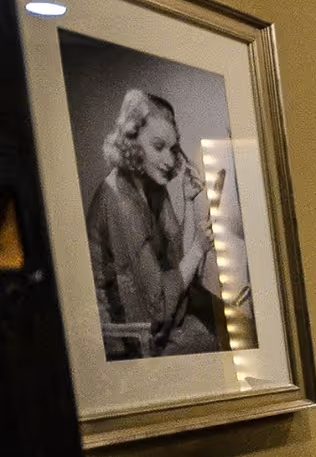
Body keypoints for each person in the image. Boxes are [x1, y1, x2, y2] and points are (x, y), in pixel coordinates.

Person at [85, 89, 224, 358]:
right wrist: (198, 248)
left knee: (228, 321)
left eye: (173, 149)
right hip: (129, 338)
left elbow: (176, 263)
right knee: (227, 338)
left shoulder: (151, 187)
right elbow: (157, 305)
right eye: (158, 147)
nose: (170, 160)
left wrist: (186, 200)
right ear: (132, 143)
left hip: (160, 321)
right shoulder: (119, 200)